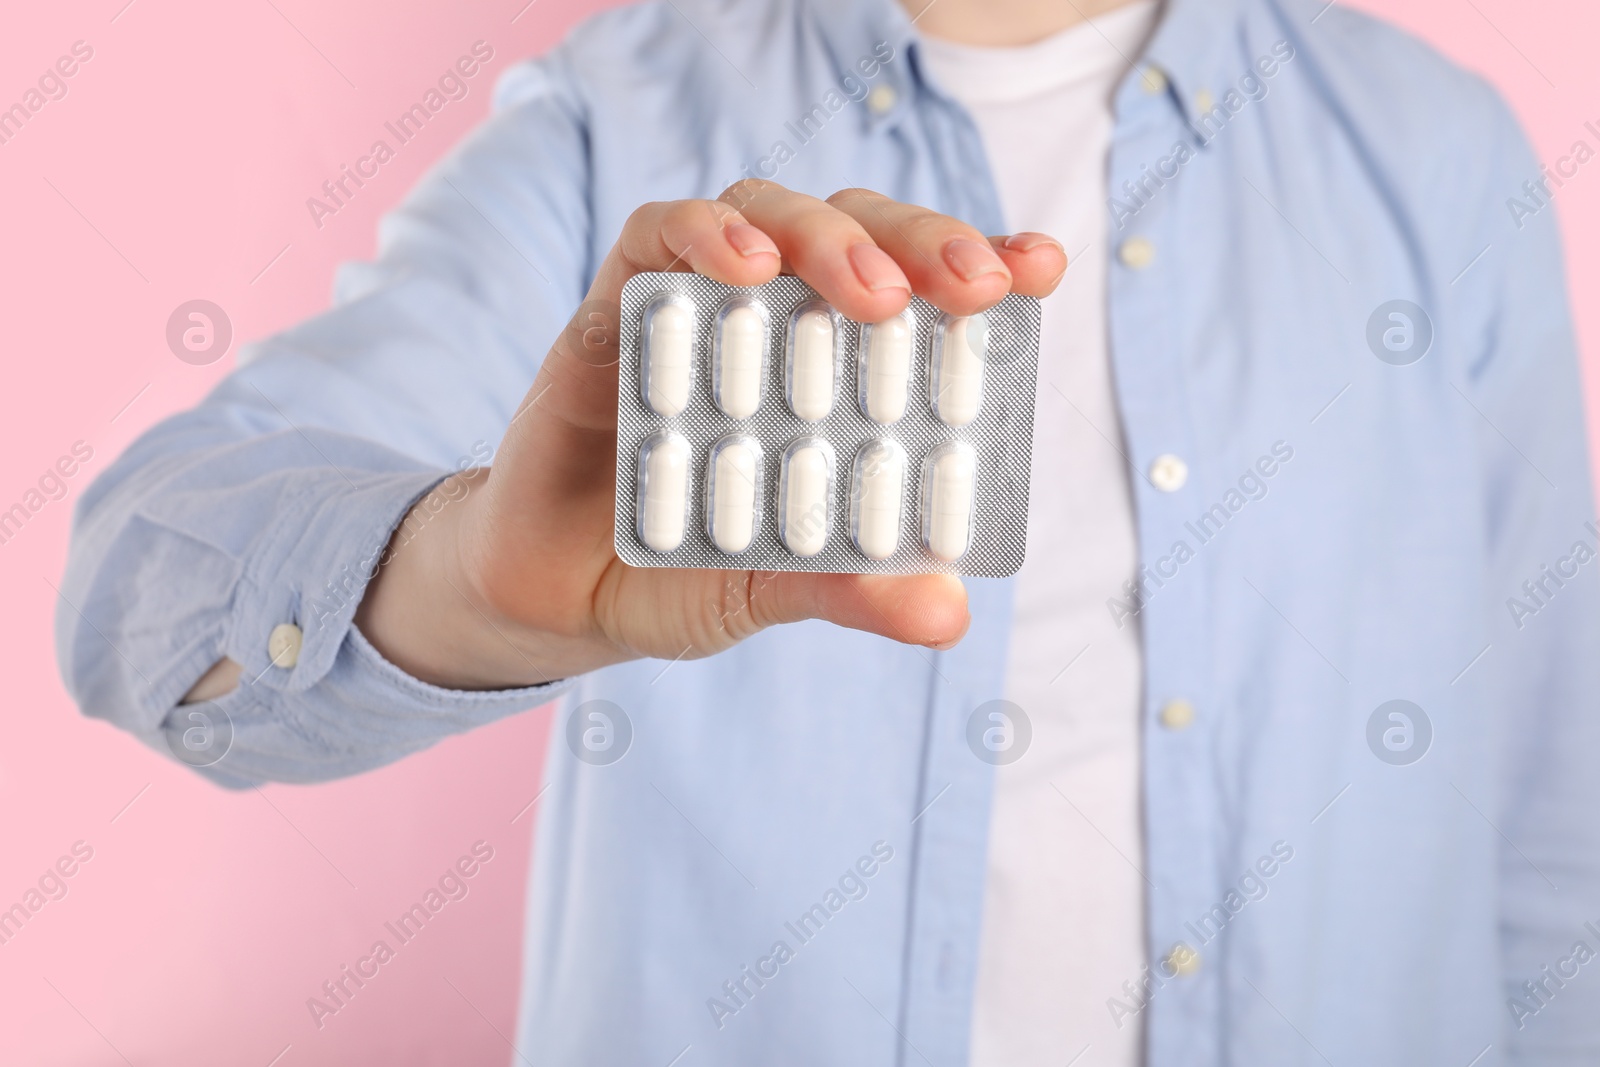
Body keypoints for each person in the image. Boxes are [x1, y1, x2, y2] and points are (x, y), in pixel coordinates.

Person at [56, 0, 1600, 1062]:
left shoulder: (1438, 155)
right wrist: (470, 586)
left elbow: (1551, 804)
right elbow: (140, 586)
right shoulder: (622, 112)